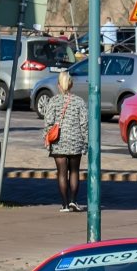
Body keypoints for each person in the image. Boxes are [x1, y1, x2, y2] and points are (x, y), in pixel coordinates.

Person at [42, 71, 89, 212]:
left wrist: (46, 139)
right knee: (74, 171)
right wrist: (85, 142)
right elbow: (84, 124)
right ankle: (73, 201)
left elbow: (48, 122)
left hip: (58, 141)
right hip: (75, 140)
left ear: (58, 85)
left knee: (62, 173)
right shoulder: (79, 101)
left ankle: (64, 204)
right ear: (71, 84)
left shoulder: (53, 101)